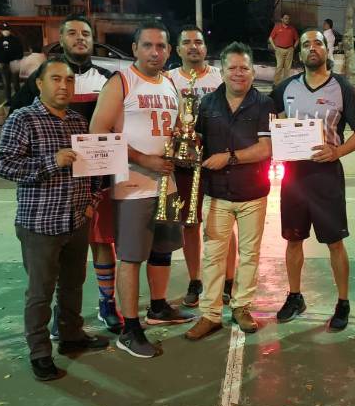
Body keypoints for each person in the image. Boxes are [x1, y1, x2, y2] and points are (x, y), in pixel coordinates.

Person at [0, 57, 109, 381]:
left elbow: (92, 168)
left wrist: (90, 202)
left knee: (73, 285)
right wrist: (51, 161)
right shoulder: (23, 119)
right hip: (39, 224)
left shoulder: (76, 121)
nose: (64, 86)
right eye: (56, 79)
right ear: (40, 84)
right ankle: (40, 353)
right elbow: (4, 165)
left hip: (76, 220)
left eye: (69, 80)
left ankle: (71, 335)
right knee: (40, 292)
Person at [11, 15, 121, 338]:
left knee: (102, 243)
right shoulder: (45, 79)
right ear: (61, 40)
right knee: (52, 266)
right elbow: (16, 127)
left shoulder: (108, 79)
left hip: (95, 181)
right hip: (52, 190)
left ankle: (106, 303)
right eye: (72, 33)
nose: (80, 38)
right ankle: (53, 330)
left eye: (85, 33)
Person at [90, 20, 195, 359]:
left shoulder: (169, 83)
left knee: (163, 250)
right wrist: (142, 159)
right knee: (132, 257)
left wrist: (186, 145)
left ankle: (159, 307)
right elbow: (98, 132)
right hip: (133, 186)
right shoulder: (121, 82)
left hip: (167, 183)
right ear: (134, 49)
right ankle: (130, 328)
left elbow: (175, 128)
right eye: (148, 45)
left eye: (161, 46)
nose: (155, 51)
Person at [271, 28, 355, 332]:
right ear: (299, 53)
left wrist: (337, 151)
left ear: (327, 49)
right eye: (305, 44)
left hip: (326, 175)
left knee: (335, 242)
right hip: (294, 176)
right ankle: (295, 295)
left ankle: (343, 302)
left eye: (317, 43)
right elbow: (270, 124)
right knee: (293, 239)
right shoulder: (284, 88)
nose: (311, 48)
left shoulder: (340, 87)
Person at [185, 42, 274, 340]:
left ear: (253, 71)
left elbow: (265, 148)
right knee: (212, 255)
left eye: (244, 68)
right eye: (232, 68)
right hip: (216, 193)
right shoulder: (207, 104)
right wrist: (184, 143)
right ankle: (209, 314)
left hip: (253, 194)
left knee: (249, 254)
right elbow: (195, 141)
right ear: (221, 71)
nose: (238, 73)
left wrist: (230, 157)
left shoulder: (264, 104)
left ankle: (241, 307)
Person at [166, 25, 238, 308]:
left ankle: (229, 279)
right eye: (187, 42)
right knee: (189, 224)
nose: (193, 47)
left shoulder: (221, 78)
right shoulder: (168, 80)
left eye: (198, 42)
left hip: (217, 161)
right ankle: (195, 279)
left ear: (206, 49)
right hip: (183, 163)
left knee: (223, 223)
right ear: (178, 48)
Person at [0, 22, 24, 103]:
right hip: (4, 65)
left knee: (16, 84)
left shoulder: (15, 40)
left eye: (7, 29)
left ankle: (19, 100)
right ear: (1, 30)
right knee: (6, 84)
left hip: (14, 63)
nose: (5, 31)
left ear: (10, 30)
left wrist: (18, 59)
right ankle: (9, 100)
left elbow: (20, 51)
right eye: (4, 30)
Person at [269, 14, 299, 85]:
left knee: (287, 68)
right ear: (281, 19)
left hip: (289, 50)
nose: (287, 20)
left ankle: (285, 83)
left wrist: (293, 48)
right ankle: (276, 83)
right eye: (285, 18)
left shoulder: (292, 28)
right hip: (279, 49)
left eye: (288, 19)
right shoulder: (277, 27)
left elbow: (297, 39)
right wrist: (274, 47)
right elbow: (270, 38)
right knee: (279, 66)